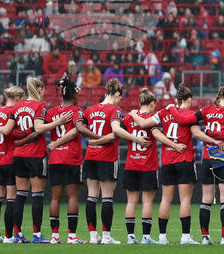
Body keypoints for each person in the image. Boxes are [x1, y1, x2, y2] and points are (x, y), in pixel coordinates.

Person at [126, 85, 200, 245]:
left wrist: (132, 113)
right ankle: (185, 237)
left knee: (165, 200)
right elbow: (196, 132)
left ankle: (162, 237)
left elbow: (143, 123)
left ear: (176, 99)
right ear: (189, 100)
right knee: (185, 200)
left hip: (167, 161)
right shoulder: (191, 114)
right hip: (184, 158)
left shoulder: (163, 112)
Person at [81, 78, 148, 244]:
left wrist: (94, 141)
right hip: (107, 157)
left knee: (91, 196)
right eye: (120, 97)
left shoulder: (90, 110)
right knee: (107, 197)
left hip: (90, 156)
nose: (120, 101)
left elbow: (81, 128)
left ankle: (92, 236)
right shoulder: (115, 110)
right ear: (117, 94)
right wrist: (136, 139)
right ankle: (106, 236)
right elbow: (116, 130)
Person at [11, 77, 72, 243]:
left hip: (19, 154)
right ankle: (37, 234)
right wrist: (59, 122)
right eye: (43, 90)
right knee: (37, 195)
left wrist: (19, 140)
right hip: (35, 154)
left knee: (20, 195)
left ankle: (17, 234)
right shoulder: (39, 106)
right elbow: (38, 128)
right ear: (39, 89)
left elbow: (10, 130)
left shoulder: (17, 107)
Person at [189, 84, 224, 245]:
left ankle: (205, 237)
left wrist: (207, 132)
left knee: (206, 198)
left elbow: (190, 120)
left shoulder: (207, 110)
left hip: (208, 156)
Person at [122, 89, 172, 245]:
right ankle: (146, 237)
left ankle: (130, 237)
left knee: (131, 202)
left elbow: (117, 132)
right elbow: (156, 135)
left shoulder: (128, 118)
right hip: (148, 166)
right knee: (147, 202)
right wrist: (173, 144)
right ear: (151, 104)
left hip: (131, 164)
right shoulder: (151, 119)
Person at [45, 77, 91, 244]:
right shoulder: (77, 111)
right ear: (73, 95)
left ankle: (55, 236)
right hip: (71, 158)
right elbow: (76, 131)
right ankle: (72, 236)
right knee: (73, 197)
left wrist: (55, 144)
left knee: (55, 198)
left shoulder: (51, 112)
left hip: (55, 158)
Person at [0, 86, 22, 243]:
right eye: (21, 98)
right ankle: (9, 236)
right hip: (10, 159)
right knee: (11, 198)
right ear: (16, 97)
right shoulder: (14, 113)